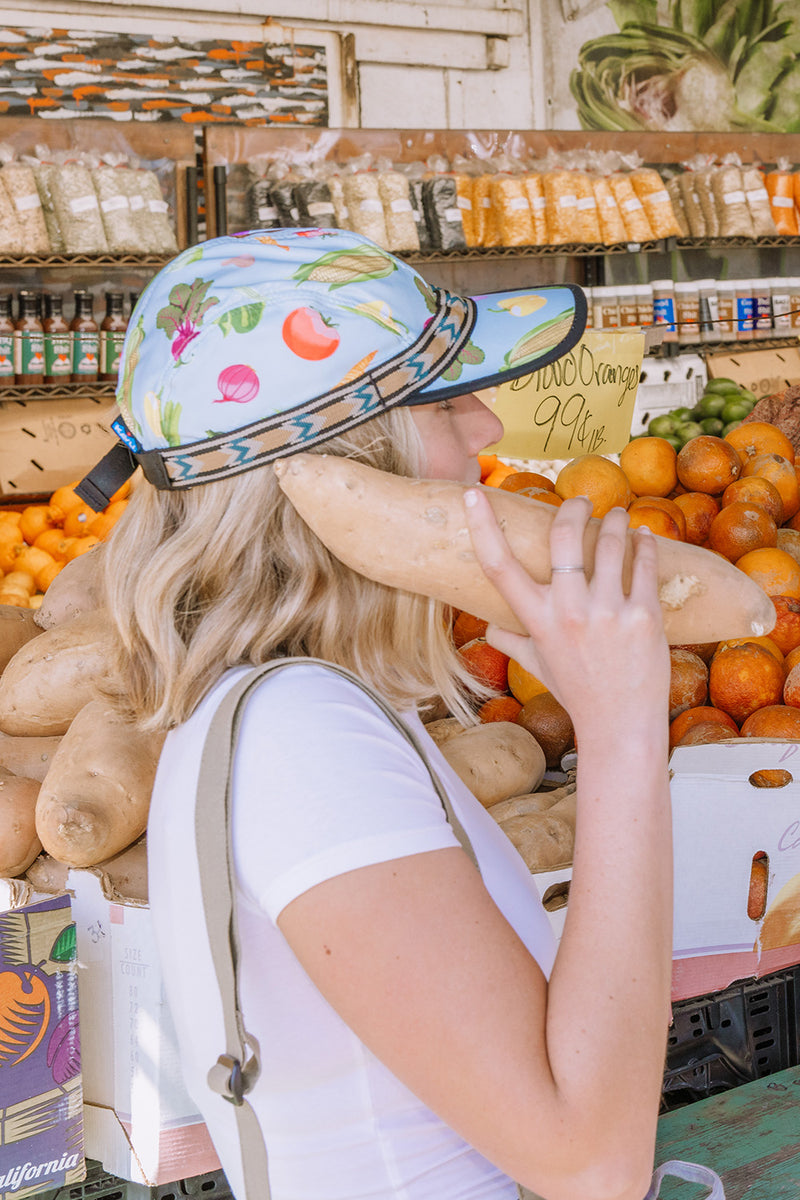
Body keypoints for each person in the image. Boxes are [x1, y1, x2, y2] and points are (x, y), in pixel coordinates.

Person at [80, 227, 673, 1200]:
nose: (486, 431)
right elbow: (590, 1162)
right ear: (348, 469)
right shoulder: (301, 740)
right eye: (442, 400)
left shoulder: (287, 712)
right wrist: (619, 733)